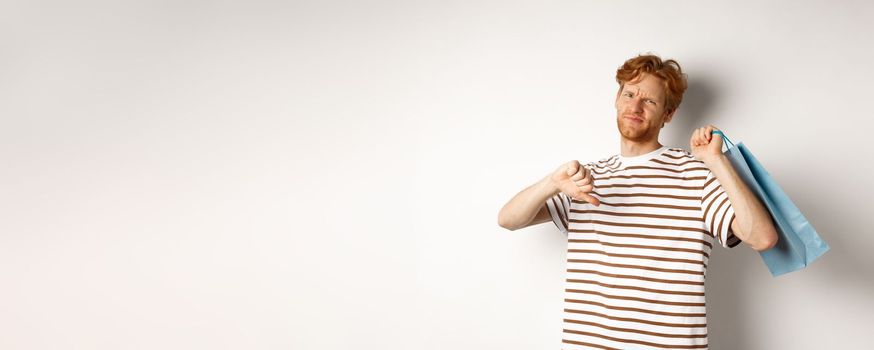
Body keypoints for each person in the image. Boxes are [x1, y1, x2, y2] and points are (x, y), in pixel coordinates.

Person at [497, 54, 778, 350]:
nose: (635, 106)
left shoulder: (693, 174)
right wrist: (552, 183)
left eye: (650, 101)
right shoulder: (586, 179)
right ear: (617, 98)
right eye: (629, 94)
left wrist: (715, 161)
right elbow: (508, 219)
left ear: (669, 114)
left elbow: (762, 237)